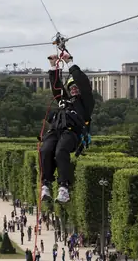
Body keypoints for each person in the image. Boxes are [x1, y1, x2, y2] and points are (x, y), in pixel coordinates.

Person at [40, 51, 95, 203]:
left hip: (72, 133)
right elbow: (56, 88)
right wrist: (53, 67)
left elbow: (82, 82)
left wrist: (70, 63)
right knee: (44, 150)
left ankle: (64, 187)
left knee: (61, 151)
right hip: (55, 130)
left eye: (76, 87)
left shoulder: (86, 103)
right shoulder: (64, 101)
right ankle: (46, 183)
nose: (74, 89)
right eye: (71, 87)